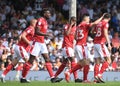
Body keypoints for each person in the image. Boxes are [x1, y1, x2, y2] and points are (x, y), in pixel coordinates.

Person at [20, 8, 62, 83]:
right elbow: (37, 31)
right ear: (44, 14)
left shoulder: (45, 21)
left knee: (47, 59)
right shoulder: (40, 20)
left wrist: (45, 35)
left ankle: (53, 78)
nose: (49, 14)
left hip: (42, 43)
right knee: (31, 60)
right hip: (36, 42)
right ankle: (23, 78)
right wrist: (46, 34)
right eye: (48, 13)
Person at [64, 13, 106, 83]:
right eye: (88, 18)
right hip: (82, 46)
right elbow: (95, 23)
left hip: (78, 45)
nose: (89, 20)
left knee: (82, 63)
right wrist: (102, 17)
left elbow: (75, 37)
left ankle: (71, 73)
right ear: (85, 19)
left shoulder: (78, 26)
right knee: (86, 63)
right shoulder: (84, 24)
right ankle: (77, 75)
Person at [52, 16, 82, 83]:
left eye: (75, 21)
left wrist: (79, 40)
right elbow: (67, 34)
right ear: (70, 20)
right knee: (73, 60)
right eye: (73, 20)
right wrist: (70, 25)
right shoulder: (67, 26)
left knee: (64, 63)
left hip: (70, 46)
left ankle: (54, 77)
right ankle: (76, 78)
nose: (74, 22)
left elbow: (75, 37)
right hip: (66, 46)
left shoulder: (75, 28)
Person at [94, 13, 111, 83]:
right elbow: (105, 33)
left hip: (95, 43)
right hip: (101, 43)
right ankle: (99, 74)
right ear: (109, 19)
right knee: (108, 60)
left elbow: (93, 31)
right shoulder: (105, 23)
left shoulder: (98, 23)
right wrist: (109, 43)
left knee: (97, 62)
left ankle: (95, 80)